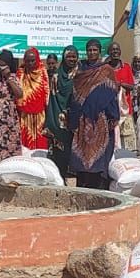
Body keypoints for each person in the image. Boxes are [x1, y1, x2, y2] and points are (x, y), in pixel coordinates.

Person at [68, 39, 121, 188]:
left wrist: (113, 116)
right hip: (82, 119)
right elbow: (75, 94)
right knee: (82, 157)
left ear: (99, 52)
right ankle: (83, 188)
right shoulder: (81, 70)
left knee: (99, 157)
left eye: (94, 50)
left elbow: (111, 93)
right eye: (89, 50)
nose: (92, 53)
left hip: (100, 119)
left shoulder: (106, 70)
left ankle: (99, 188)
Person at [47, 45, 79, 179]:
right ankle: (60, 178)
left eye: (73, 56)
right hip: (59, 119)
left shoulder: (81, 75)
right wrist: (53, 120)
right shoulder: (56, 77)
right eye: (68, 57)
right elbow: (53, 99)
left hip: (77, 118)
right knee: (59, 151)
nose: (71, 59)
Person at [17, 47, 51, 150]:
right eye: (27, 61)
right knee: (24, 144)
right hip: (23, 116)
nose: (30, 63)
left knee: (40, 144)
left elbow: (46, 93)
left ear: (37, 60)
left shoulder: (42, 73)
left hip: (40, 116)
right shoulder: (20, 73)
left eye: (33, 60)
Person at [109, 42, 135, 152]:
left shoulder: (127, 67)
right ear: (109, 52)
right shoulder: (106, 68)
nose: (115, 52)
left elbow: (132, 86)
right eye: (113, 50)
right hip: (110, 112)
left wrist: (121, 84)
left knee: (128, 143)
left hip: (125, 112)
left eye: (117, 49)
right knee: (113, 142)